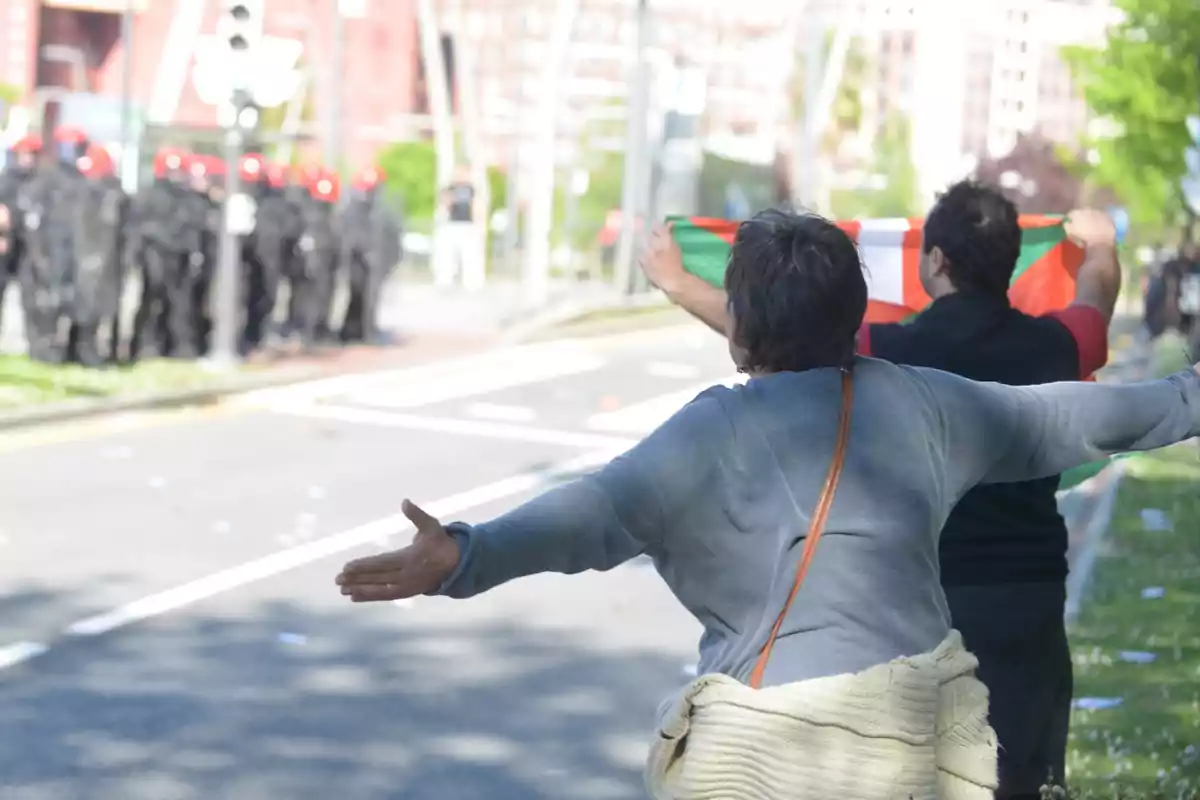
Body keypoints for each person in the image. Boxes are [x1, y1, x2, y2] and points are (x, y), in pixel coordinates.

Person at [335, 210, 1198, 797]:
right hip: (910, 746)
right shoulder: (930, 405)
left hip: (757, 755)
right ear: (855, 312)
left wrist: (465, 553)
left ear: (742, 324)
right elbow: (1087, 415)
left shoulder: (701, 435)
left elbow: (592, 515)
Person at [636, 185, 1119, 799]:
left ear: (935, 260)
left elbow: (780, 333)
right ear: (1012, 262)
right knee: (1022, 780)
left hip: (911, 608)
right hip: (1027, 605)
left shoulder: (885, 354)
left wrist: (679, 283)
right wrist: (1102, 244)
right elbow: (1097, 294)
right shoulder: (1059, 345)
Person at [433, 164, 483, 291]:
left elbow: (476, 206)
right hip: (452, 224)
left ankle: (471, 281)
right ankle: (445, 279)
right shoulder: (449, 189)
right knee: (448, 254)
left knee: (469, 255)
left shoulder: (472, 189)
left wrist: (478, 223)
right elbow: (444, 203)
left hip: (467, 224)